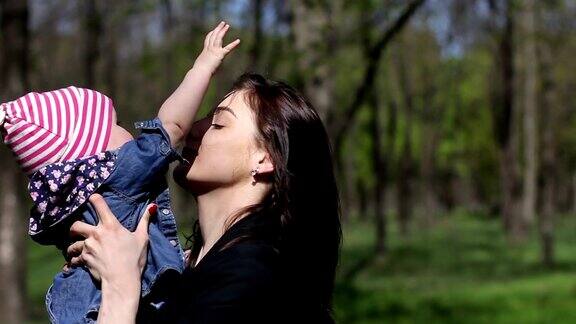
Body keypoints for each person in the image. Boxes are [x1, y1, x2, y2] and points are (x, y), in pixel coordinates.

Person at [67, 25, 342, 324]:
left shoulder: (252, 281)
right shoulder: (199, 267)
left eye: (218, 124)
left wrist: (119, 289)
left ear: (265, 160)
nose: (196, 127)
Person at [0, 21, 240, 323]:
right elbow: (172, 127)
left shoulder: (65, 206)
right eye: (114, 125)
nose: (125, 129)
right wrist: (202, 67)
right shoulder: (116, 173)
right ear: (94, 151)